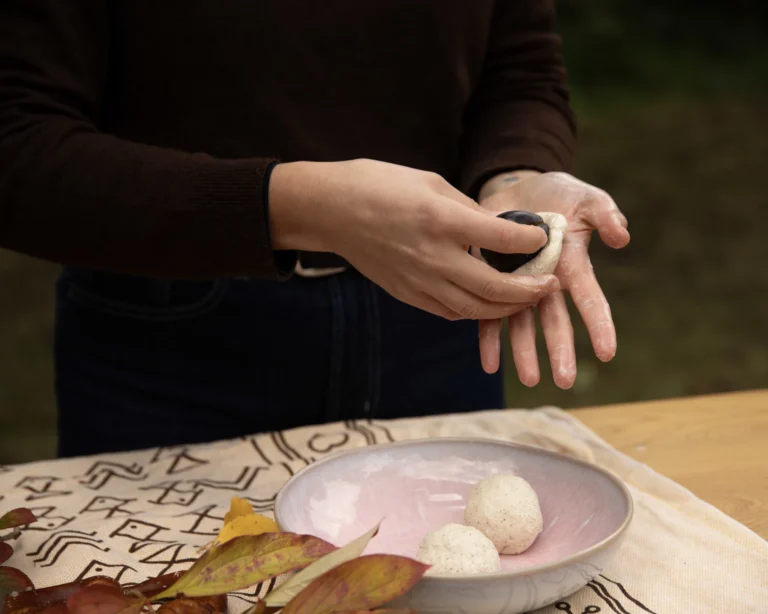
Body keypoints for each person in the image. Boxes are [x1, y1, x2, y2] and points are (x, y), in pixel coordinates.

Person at [0, 1, 629, 457]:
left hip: (441, 311)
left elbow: (519, 72)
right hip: (171, 343)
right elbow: (18, 142)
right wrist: (305, 206)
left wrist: (515, 175)